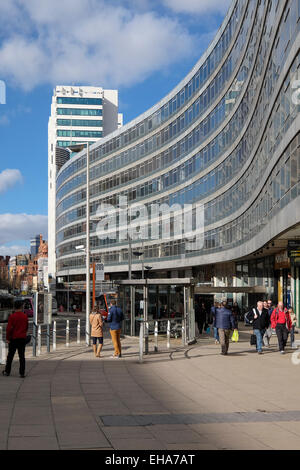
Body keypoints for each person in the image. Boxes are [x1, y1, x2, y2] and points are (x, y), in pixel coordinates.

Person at [2, 300, 28, 378]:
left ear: (14, 307)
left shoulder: (12, 316)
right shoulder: (24, 316)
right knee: (22, 356)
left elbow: (9, 329)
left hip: (13, 338)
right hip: (22, 338)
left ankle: (7, 371)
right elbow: (26, 327)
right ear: (21, 307)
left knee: (10, 356)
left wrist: (7, 338)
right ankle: (22, 373)